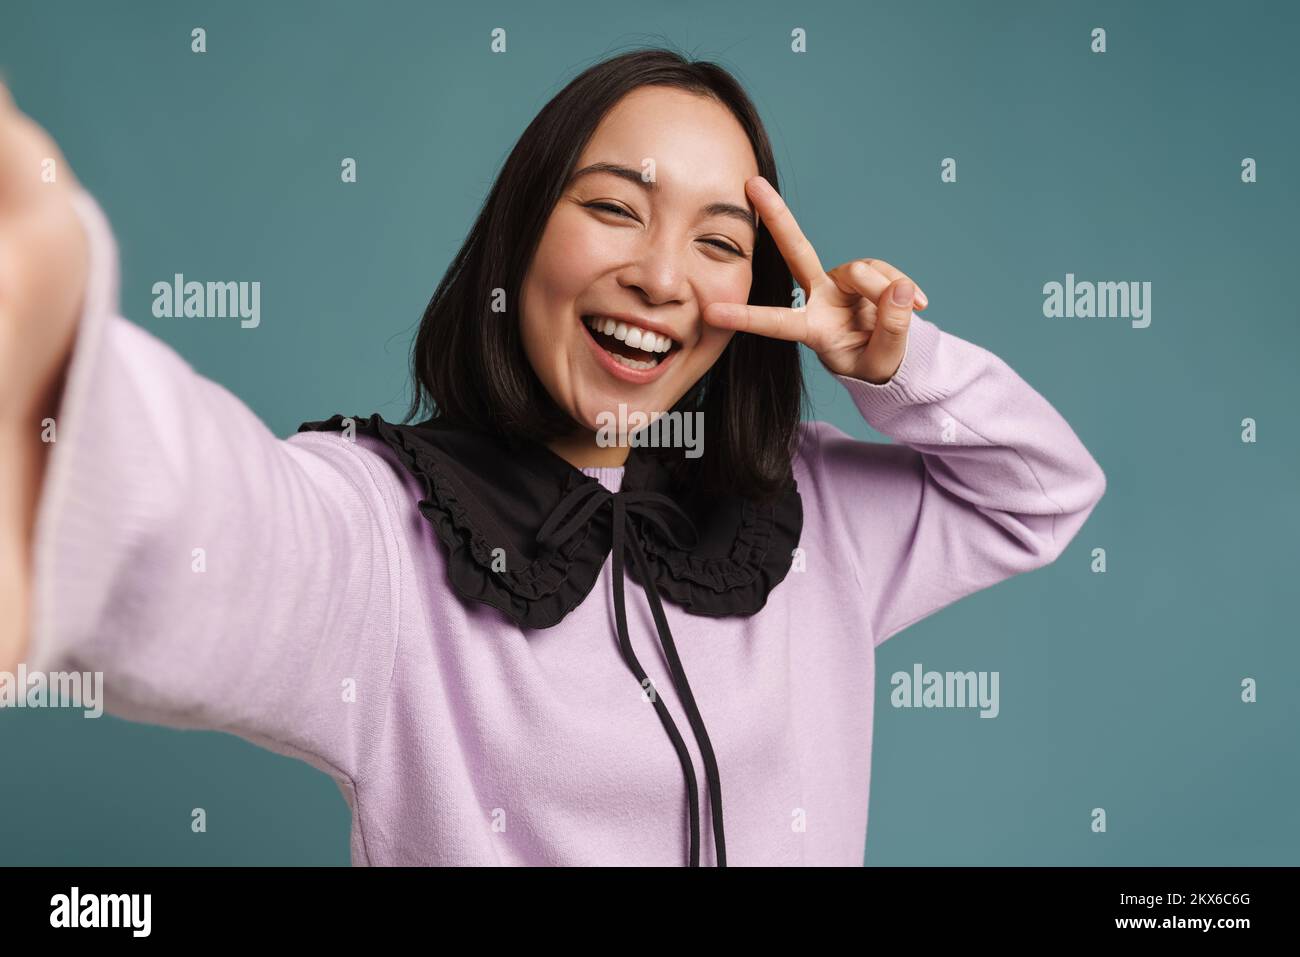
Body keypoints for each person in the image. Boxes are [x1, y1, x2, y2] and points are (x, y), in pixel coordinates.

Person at [0, 48, 1106, 866]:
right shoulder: (390, 531)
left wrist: (894, 363)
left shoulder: (807, 513)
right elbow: (231, 530)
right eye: (616, 210)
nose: (665, 277)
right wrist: (55, 385)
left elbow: (1040, 493)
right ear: (523, 233)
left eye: (719, 243)